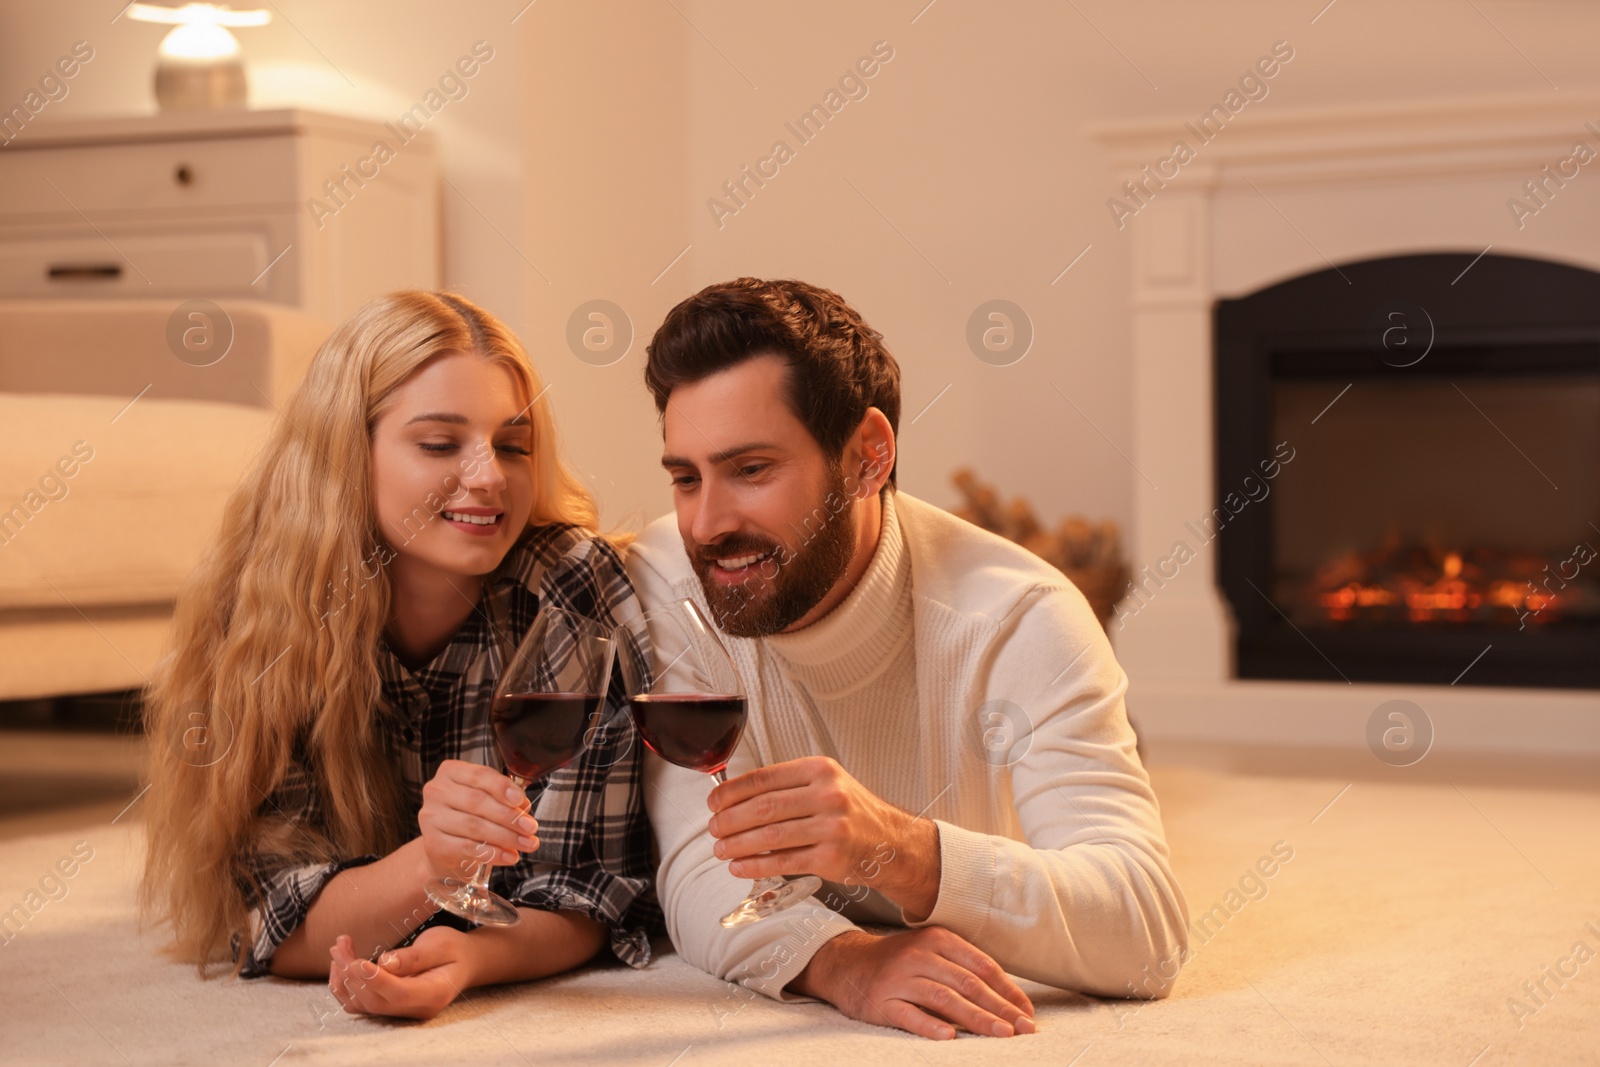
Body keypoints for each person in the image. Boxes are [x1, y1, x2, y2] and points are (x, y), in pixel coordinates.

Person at [626, 278, 1190, 1041]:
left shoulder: (1023, 616)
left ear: (868, 457)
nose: (708, 522)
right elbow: (697, 864)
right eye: (686, 477)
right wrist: (845, 961)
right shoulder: (665, 577)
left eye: (751, 470)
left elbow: (1146, 934)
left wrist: (903, 851)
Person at [140, 291, 657, 1020]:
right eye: (441, 444)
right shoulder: (269, 605)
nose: (487, 476)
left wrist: (470, 957)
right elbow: (266, 918)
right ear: (349, 453)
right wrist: (431, 863)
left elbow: (587, 891)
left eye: (512, 445)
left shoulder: (566, 585)